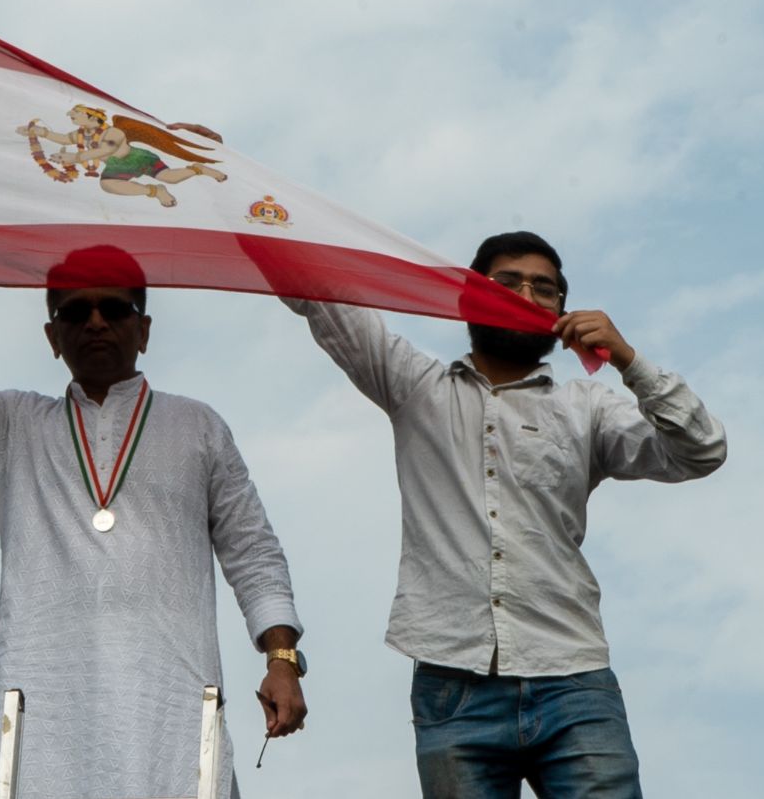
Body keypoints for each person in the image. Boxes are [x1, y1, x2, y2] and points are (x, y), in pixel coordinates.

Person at [0, 162, 306, 799]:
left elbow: (254, 552)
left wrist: (281, 660)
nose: (95, 322)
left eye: (114, 308)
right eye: (75, 311)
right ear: (51, 335)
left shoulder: (198, 427)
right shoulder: (13, 425)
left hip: (166, 708)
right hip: (41, 707)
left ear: (143, 330)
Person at [287, 229, 727, 798]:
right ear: (471, 297)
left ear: (564, 315)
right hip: (453, 683)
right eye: (507, 282)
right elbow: (320, 295)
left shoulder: (586, 407)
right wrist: (228, 188)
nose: (526, 293)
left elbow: (701, 451)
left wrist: (630, 361)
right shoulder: (417, 388)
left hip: (573, 680)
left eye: (545, 289)